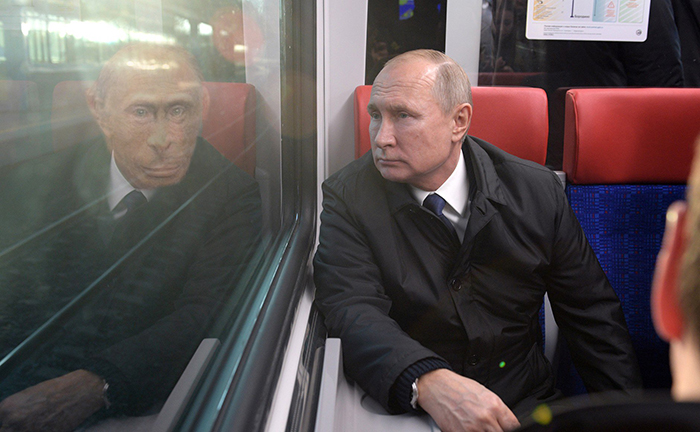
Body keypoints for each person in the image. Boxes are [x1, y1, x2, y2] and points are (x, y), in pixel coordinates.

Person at [313, 49, 641, 432]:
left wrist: (632, 421)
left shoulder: (536, 193)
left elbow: (592, 316)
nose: (382, 138)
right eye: (375, 115)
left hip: (521, 407)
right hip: (410, 407)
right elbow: (351, 308)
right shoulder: (348, 197)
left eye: (403, 116)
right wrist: (426, 380)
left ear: (459, 122)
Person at [0, 43, 261, 431]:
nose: (163, 139)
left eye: (178, 110)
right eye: (141, 112)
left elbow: (204, 315)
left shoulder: (232, 195)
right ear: (99, 109)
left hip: (133, 396)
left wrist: (97, 385)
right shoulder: (42, 178)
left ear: (203, 107)